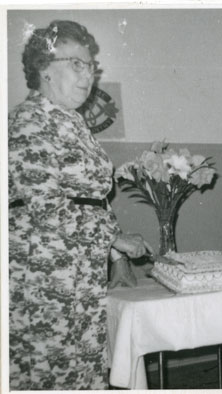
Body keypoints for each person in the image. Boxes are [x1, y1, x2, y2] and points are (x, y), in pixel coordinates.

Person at [8, 20, 153, 390]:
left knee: (83, 369)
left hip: (80, 273)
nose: (88, 75)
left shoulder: (71, 122)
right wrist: (116, 239)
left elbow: (90, 199)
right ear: (44, 69)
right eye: (76, 64)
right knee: (49, 372)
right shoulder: (29, 122)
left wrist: (114, 255)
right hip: (45, 277)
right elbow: (43, 205)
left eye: (90, 66)